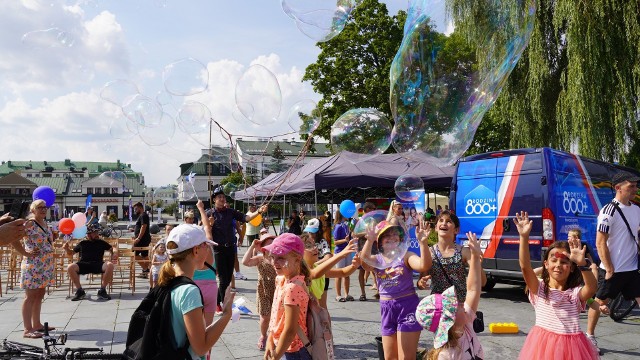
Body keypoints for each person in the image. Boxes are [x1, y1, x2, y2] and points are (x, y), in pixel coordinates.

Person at [515, 211, 599, 359]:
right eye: (554, 261)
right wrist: (524, 237)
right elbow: (525, 267)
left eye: (564, 262)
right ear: (546, 264)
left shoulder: (574, 294)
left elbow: (592, 288)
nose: (558, 265)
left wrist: (583, 265)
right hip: (541, 347)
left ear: (572, 267)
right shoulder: (539, 288)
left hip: (573, 350)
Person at [159, 224, 235, 359]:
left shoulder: (167, 281)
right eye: (206, 245)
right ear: (196, 251)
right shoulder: (189, 291)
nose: (208, 250)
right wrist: (227, 314)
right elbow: (200, 348)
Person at [360, 219, 433, 360]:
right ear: (380, 242)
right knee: (390, 358)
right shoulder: (377, 260)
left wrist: (423, 243)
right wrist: (369, 241)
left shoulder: (406, 255)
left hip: (407, 307)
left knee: (406, 357)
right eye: (386, 235)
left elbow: (424, 265)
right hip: (386, 308)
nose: (391, 237)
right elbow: (364, 263)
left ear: (400, 239)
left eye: (394, 234)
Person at [587, 171, 640, 353]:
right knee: (599, 302)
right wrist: (609, 268)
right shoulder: (608, 211)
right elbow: (600, 242)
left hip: (632, 269)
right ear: (618, 188)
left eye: (635, 186)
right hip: (613, 270)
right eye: (630, 186)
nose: (635, 189)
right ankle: (590, 336)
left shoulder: (636, 209)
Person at [416, 232, 484, 360]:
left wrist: (475, 256)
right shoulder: (446, 355)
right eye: (455, 306)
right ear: (449, 322)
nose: (460, 304)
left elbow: (473, 289)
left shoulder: (466, 323)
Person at [206, 185, 266, 312]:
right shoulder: (210, 213)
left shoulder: (230, 212)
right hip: (219, 250)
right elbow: (203, 229)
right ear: (214, 199)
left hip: (230, 248)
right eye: (219, 197)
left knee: (228, 278)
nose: (222, 199)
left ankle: (217, 302)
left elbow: (247, 218)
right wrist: (210, 224)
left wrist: (259, 212)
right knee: (223, 279)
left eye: (223, 197)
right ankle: (225, 305)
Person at [416, 211, 486, 303]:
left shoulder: (464, 251)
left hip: (460, 306)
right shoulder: (429, 252)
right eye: (441, 220)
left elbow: (483, 282)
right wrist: (421, 283)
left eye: (448, 221)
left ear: (456, 230)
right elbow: (420, 282)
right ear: (436, 227)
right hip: (437, 307)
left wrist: (476, 260)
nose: (444, 223)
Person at [262, 233, 311, 360]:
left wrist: (275, 357)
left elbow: (290, 330)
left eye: (281, 258)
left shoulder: (292, 288)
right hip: (283, 346)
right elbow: (277, 317)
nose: (275, 262)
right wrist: (270, 339)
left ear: (297, 259)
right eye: (273, 257)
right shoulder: (281, 280)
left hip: (293, 351)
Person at [12, 200, 55, 339]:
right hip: (33, 264)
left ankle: (36, 324)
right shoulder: (29, 223)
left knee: (40, 294)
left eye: (45, 207)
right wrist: (25, 253)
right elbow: (14, 238)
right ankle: (27, 329)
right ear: (33, 210)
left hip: (45, 264)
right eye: (39, 208)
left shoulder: (45, 223)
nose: (43, 210)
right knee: (30, 296)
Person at [301, 233, 360, 310]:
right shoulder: (301, 270)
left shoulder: (316, 267)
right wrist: (342, 254)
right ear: (300, 252)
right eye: (309, 246)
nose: (315, 248)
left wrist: (354, 265)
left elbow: (343, 272)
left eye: (314, 244)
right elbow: (315, 274)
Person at [242, 229, 277, 351]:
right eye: (267, 243)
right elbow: (245, 262)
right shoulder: (260, 258)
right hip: (264, 291)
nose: (270, 245)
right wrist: (252, 246)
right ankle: (263, 335)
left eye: (272, 242)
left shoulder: (278, 257)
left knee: (279, 315)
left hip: (278, 290)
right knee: (264, 316)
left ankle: (276, 336)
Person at [64, 223, 116, 301]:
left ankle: (102, 290)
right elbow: (71, 253)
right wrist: (66, 249)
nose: (97, 234)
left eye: (97, 232)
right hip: (83, 264)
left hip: (97, 264)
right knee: (70, 267)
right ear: (89, 234)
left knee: (110, 265)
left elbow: (113, 248)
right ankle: (80, 291)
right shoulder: (82, 243)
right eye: (94, 233)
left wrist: (115, 253)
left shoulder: (101, 242)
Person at [195, 200, 219, 330]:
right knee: (207, 328)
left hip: (193, 288)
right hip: (211, 288)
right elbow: (207, 227)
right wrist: (201, 209)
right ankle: (207, 350)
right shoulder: (208, 245)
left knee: (193, 329)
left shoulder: (191, 251)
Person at [332, 209, 353, 302]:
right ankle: (338, 295)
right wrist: (345, 240)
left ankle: (347, 294)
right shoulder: (338, 226)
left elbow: (349, 238)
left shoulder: (347, 225)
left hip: (347, 251)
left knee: (347, 273)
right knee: (339, 274)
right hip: (340, 252)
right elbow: (335, 242)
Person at [132, 202, 151, 278]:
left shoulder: (143, 215)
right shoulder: (142, 215)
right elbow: (141, 227)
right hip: (143, 239)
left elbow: (144, 226)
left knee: (134, 254)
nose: (135, 210)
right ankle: (145, 272)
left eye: (136, 209)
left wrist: (138, 238)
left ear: (140, 208)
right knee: (144, 255)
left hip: (142, 239)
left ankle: (145, 269)